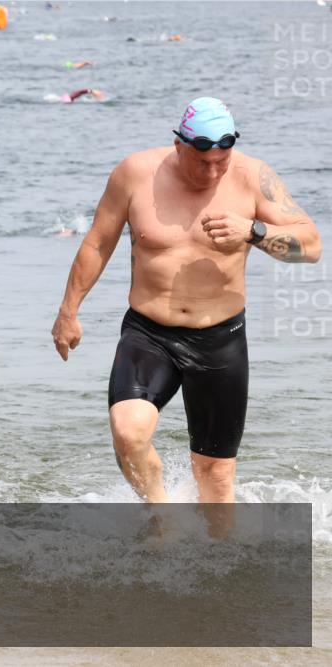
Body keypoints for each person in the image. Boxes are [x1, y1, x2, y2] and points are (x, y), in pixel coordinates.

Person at [51, 97, 321, 517]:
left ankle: (218, 567)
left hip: (220, 338)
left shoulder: (252, 176)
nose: (212, 171)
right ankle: (163, 518)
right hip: (149, 333)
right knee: (128, 432)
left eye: (221, 161)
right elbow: (98, 243)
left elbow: (312, 246)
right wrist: (68, 312)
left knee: (213, 474)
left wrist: (252, 231)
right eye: (202, 161)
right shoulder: (136, 173)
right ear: (179, 146)